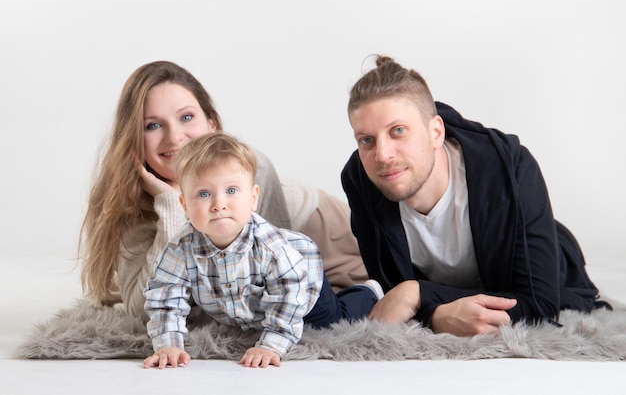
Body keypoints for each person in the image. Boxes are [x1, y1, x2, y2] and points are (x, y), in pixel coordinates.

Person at [341, 55, 610, 337]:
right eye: (366, 140)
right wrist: (434, 311)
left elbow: (540, 307)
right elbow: (392, 297)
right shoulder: (360, 179)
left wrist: (419, 293)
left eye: (398, 131)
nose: (382, 155)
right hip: (455, 284)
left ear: (436, 132)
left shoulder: (510, 166)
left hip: (553, 274)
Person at [79, 61, 368, 321]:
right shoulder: (132, 199)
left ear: (212, 124)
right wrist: (169, 205)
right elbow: (144, 310)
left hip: (324, 233)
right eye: (153, 125)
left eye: (187, 117)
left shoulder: (253, 168)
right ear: (133, 140)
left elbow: (266, 284)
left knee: (328, 314)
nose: (174, 136)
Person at [143, 132, 381, 369]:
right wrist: (168, 344)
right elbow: (166, 297)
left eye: (232, 190)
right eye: (204, 194)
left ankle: (366, 292)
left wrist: (270, 345)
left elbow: (288, 295)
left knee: (332, 320)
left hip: (302, 281)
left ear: (253, 198)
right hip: (253, 306)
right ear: (184, 205)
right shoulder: (181, 248)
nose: (219, 204)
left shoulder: (270, 247)